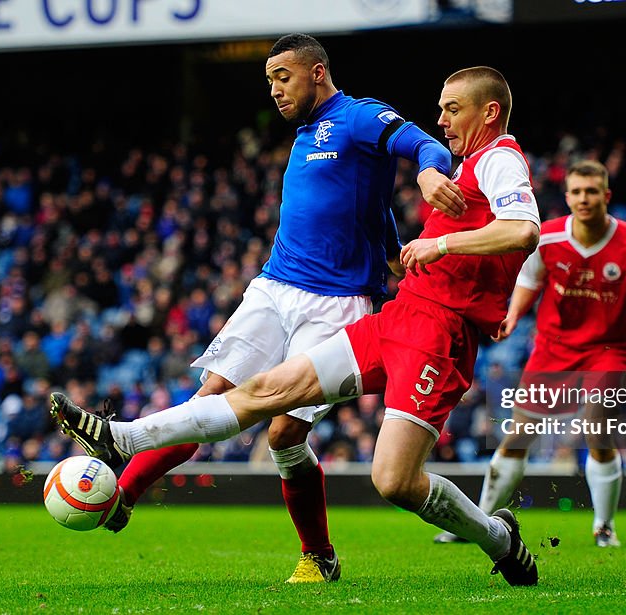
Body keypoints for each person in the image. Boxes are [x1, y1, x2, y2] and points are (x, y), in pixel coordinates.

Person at [51, 66, 542, 586]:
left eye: (451, 108)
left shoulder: (495, 158)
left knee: (390, 480)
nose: (441, 119)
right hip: (390, 313)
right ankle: (121, 440)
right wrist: (402, 254)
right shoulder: (329, 138)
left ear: (489, 112)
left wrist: (435, 239)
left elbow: (522, 229)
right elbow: (372, 206)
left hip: (429, 334)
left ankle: (496, 539)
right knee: (261, 391)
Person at [435, 160, 626, 547]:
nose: (584, 198)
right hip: (552, 350)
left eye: (592, 191)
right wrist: (515, 315)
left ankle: (604, 527)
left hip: (608, 352)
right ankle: (482, 522)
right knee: (518, 435)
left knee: (596, 424)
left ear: (606, 196)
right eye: (577, 191)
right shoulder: (547, 238)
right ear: (567, 196)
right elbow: (529, 281)